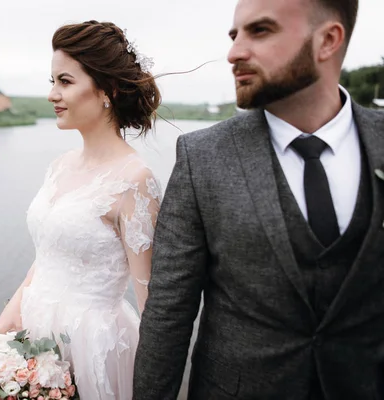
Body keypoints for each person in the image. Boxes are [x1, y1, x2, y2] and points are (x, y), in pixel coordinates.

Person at [134, 0, 384, 398]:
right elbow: (168, 313)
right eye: (235, 35)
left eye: (261, 30)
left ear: (328, 40)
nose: (234, 52)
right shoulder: (201, 157)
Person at [0, 20, 162, 399]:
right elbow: (51, 251)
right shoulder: (60, 165)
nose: (52, 94)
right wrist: (16, 303)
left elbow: (150, 299)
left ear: (108, 90)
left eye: (65, 82)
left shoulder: (135, 181)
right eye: (51, 81)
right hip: (35, 334)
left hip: (92, 347)